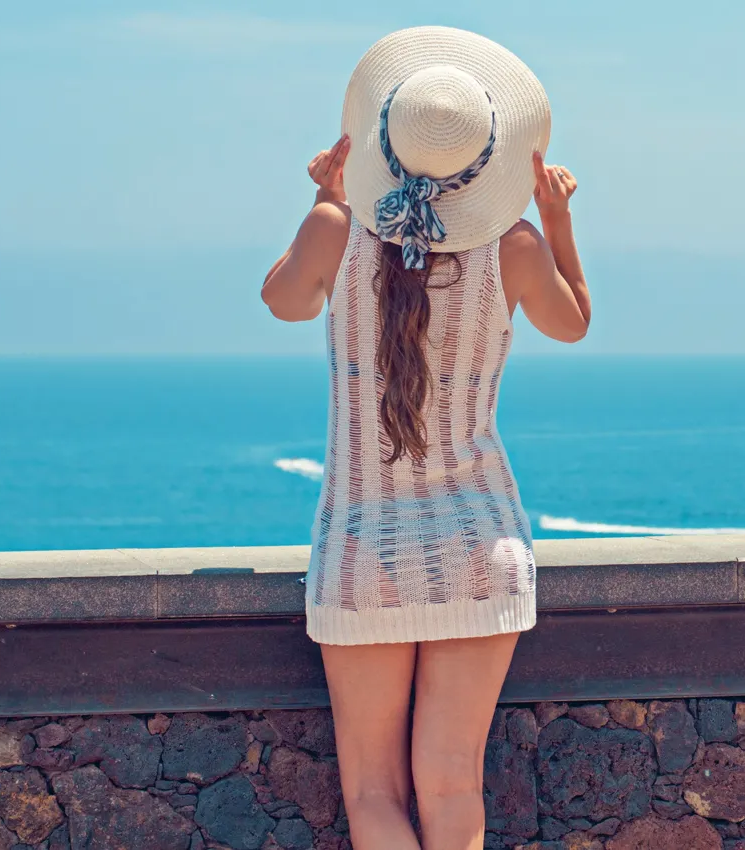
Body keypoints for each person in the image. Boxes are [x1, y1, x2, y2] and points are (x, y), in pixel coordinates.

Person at [260, 26, 590, 850]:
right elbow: (574, 322)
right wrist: (554, 219)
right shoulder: (512, 249)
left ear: (378, 141)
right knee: (452, 789)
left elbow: (282, 301)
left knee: (374, 791)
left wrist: (324, 202)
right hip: (482, 546)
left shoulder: (339, 232)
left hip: (363, 553)